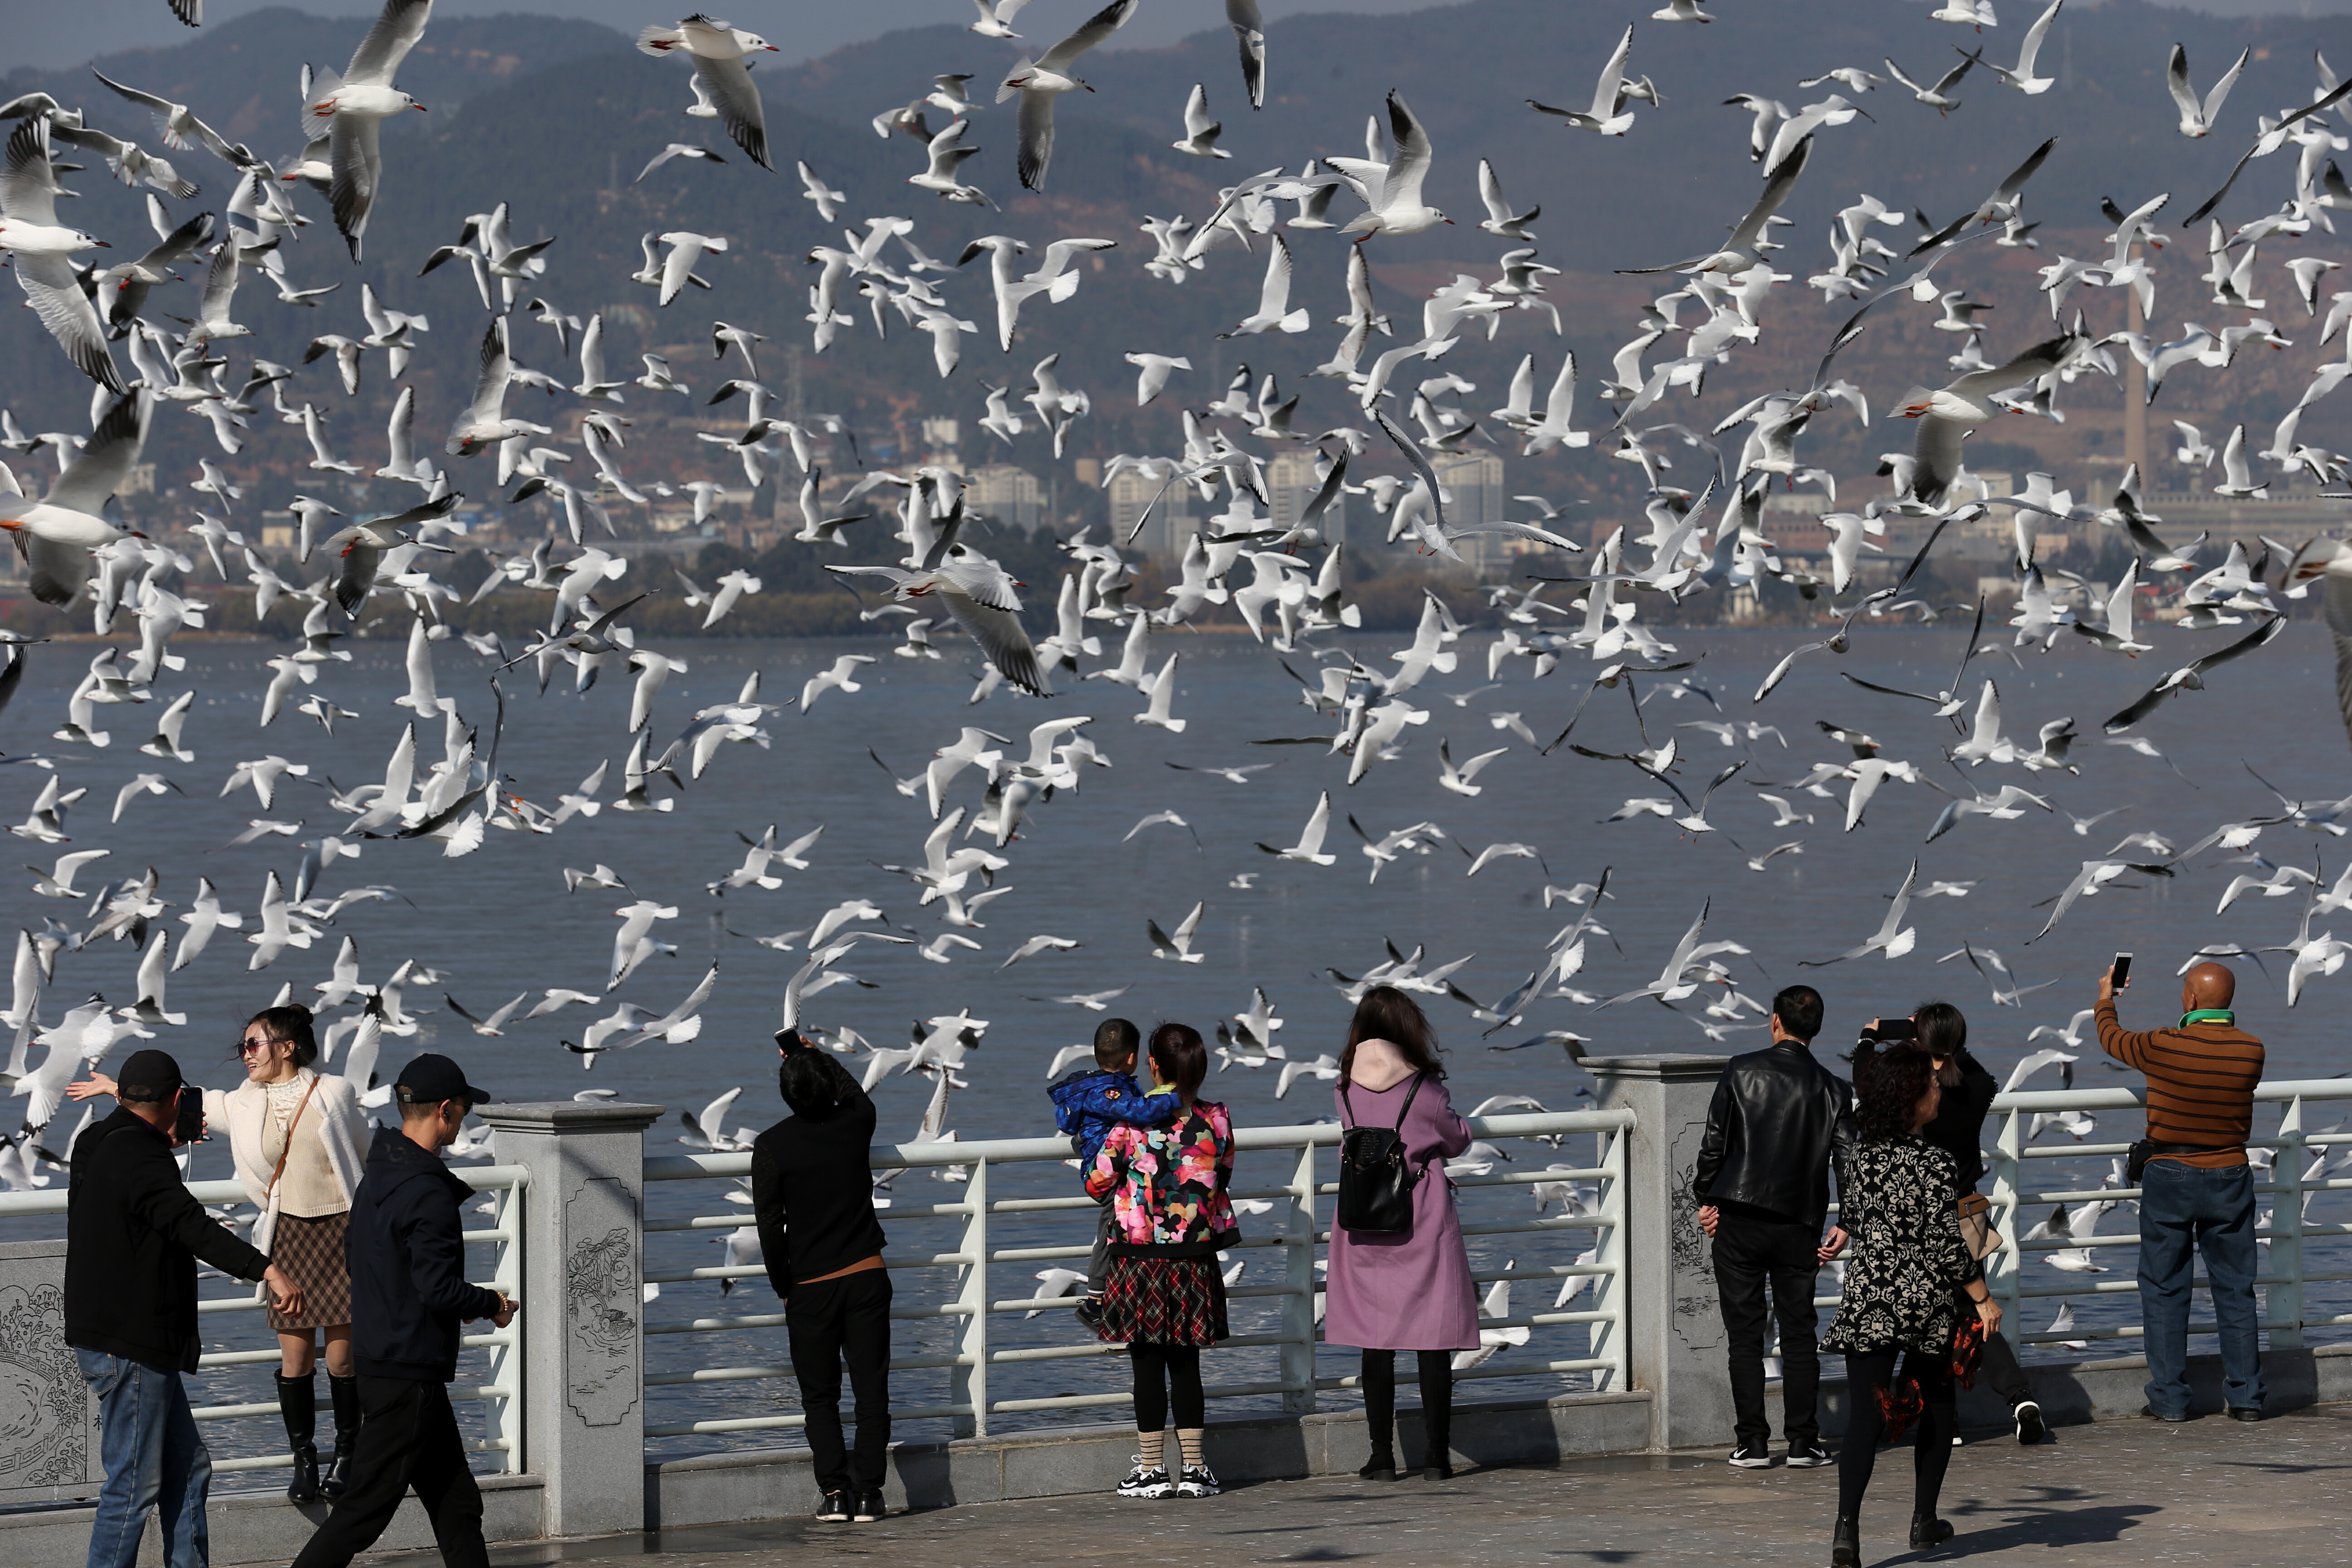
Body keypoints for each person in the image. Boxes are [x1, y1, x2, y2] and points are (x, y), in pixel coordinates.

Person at [74, 1004, 368, 1504]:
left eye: (253, 1045)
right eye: (243, 1047)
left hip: (343, 1231)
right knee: (295, 1359)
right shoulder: (244, 1101)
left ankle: (347, 1455)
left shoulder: (335, 1093)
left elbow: (361, 1153)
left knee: (342, 1360)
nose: (245, 1055)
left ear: (287, 1046)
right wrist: (116, 1092)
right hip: (290, 1235)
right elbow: (186, 1101)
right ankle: (304, 1459)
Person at [66, 1049, 304, 1568]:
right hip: (131, 1341)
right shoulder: (140, 1159)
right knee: (132, 1486)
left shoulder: (97, 1140)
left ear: (123, 1095)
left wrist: (162, 1139)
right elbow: (191, 1225)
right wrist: (267, 1268)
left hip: (116, 1334)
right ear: (177, 1099)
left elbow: (135, 1205)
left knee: (189, 1468)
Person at [289, 1054, 514, 1568]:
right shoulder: (427, 1191)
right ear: (446, 1110)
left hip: (385, 1363)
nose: (465, 1120)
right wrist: (493, 1304)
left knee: (456, 1502)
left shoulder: (379, 1177)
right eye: (463, 1109)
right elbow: (439, 1289)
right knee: (361, 1514)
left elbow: (358, 1258)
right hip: (406, 1375)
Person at [1822, 1040, 2000, 1568]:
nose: (1938, 1093)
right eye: (1930, 1086)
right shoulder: (1937, 1163)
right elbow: (1947, 1245)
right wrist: (1983, 1298)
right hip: (1924, 1303)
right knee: (1939, 1409)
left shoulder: (1860, 1158)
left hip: (1871, 1297)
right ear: (1910, 1097)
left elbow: (1857, 1218)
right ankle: (1924, 1521)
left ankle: (1846, 1532)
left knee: (1863, 1419)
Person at [2097, 958, 2266, 1422]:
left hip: (2171, 1172)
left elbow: (2111, 1039)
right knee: (2236, 1289)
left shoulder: (2162, 1045)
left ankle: (2170, 1401)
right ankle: (2247, 1398)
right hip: (2231, 1171)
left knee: (2165, 1287)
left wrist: (2105, 998)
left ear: (2190, 999)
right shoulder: (2252, 1050)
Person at [1322, 985, 1478, 1483]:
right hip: (1422, 1219)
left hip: (1366, 1222)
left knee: (1377, 1343)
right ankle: (1436, 1456)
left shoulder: (1344, 1087)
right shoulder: (1426, 1090)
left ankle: (1381, 1457)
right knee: (1432, 1342)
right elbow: (1455, 1139)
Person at [1692, 984, 1852, 1470]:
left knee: (1744, 1335)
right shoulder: (1834, 1088)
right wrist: (1847, 1221)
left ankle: (1753, 1444)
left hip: (1737, 1218)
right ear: (1817, 1029)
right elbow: (1849, 1161)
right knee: (1800, 1332)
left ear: (1774, 1022)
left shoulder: (1741, 1070)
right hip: (1799, 1223)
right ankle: (1804, 1442)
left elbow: (1714, 1144)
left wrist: (1706, 1199)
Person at [1088, 1021, 1238, 1500]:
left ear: (1153, 1065)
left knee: (1147, 1365)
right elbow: (1224, 1172)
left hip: (1138, 1259)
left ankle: (1151, 1471)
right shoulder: (1217, 1119)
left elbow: (1097, 1183)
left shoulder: (1130, 1123)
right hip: (1194, 1257)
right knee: (1187, 1364)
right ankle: (1194, 1470)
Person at [753, 1029, 893, 1524]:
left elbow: (770, 1227)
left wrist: (784, 1285)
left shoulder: (770, 1146)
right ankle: (870, 1494)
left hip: (809, 1286)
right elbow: (854, 1089)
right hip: (866, 1276)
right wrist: (810, 1052)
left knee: (820, 1396)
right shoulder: (856, 1123)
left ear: (787, 1093)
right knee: (872, 1389)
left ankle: (835, 1493)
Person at [1908, 1000, 2043, 1444]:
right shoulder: (1981, 1085)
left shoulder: (1916, 1090)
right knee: (1972, 1309)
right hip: (1969, 1212)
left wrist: (1880, 1038)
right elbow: (1977, 1071)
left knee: (1930, 1317)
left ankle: (1945, 1424)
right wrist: (1950, 1047)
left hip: (1926, 1217)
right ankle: (2020, 1398)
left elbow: (1869, 1077)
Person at [1047, 1016, 1183, 1328]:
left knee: (1126, 1225)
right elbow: (1140, 1112)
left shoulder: (1097, 1087)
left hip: (1113, 1166)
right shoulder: (1107, 1092)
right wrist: (1178, 1097)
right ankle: (1095, 1302)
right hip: (1106, 1171)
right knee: (1110, 1229)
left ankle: (1124, 1294)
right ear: (1133, 1058)